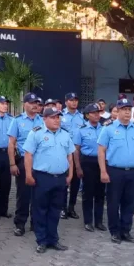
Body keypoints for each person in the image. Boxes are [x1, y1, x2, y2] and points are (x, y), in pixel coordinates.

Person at [98, 98, 134, 244]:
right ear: (118, 111)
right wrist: (103, 171)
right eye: (124, 110)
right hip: (115, 171)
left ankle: (126, 230)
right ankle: (114, 231)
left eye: (129, 110)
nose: (127, 112)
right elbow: (101, 151)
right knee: (114, 202)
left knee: (131, 203)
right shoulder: (108, 128)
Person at [24, 106, 73, 253]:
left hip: (60, 178)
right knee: (40, 210)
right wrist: (28, 175)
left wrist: (70, 175)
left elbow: (70, 156)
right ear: (44, 119)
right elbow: (28, 155)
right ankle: (42, 240)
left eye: (58, 117)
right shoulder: (36, 134)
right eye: (53, 117)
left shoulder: (65, 134)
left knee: (55, 210)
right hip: (42, 177)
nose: (56, 120)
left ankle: (53, 239)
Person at [8, 93, 44, 236]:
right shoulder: (17, 121)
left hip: (40, 162)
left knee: (39, 194)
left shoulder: (42, 120)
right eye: (31, 103)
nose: (35, 105)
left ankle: (36, 223)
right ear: (25, 104)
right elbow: (11, 143)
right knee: (23, 195)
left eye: (37, 103)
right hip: (23, 161)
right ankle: (20, 223)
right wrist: (12, 164)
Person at [73, 104, 106, 232]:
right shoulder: (81, 130)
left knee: (100, 193)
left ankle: (99, 221)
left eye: (98, 112)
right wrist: (78, 167)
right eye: (94, 113)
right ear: (87, 115)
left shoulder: (104, 129)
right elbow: (76, 150)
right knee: (88, 193)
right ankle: (88, 221)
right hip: (87, 162)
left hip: (101, 162)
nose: (97, 115)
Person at [61, 92, 84, 220]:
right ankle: (62, 208)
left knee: (75, 181)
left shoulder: (81, 117)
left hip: (76, 153)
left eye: (76, 100)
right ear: (66, 102)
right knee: (64, 181)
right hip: (63, 152)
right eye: (71, 100)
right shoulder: (61, 116)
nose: (74, 102)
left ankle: (71, 207)